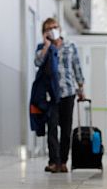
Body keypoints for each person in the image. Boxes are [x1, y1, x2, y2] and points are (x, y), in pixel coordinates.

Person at [34, 17, 85, 173]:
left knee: (66, 128)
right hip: (51, 94)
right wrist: (47, 46)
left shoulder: (70, 46)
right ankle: (53, 162)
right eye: (49, 28)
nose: (53, 30)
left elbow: (77, 67)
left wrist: (81, 88)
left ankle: (63, 162)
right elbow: (37, 63)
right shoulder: (43, 47)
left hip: (68, 92)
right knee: (52, 128)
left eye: (55, 27)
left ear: (60, 28)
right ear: (44, 32)